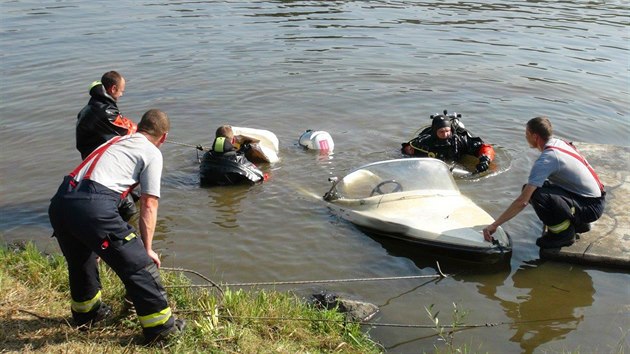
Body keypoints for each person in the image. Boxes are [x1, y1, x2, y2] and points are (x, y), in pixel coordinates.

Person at [49, 109, 185, 343]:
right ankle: (162, 331)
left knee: (82, 261)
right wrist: (148, 249)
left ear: (139, 127)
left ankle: (87, 316)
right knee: (140, 266)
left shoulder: (116, 140)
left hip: (62, 201)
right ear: (163, 137)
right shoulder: (152, 152)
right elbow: (149, 204)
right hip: (93, 204)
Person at [482, 116, 605, 249]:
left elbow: (522, 201)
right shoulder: (559, 143)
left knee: (536, 195)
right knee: (539, 188)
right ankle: (579, 223)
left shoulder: (547, 159)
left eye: (526, 134)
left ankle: (563, 235)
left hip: (590, 207)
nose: (525, 137)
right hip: (594, 199)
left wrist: (495, 224)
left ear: (535, 136)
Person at [76, 71, 139, 220]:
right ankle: (121, 233)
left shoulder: (97, 104)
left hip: (94, 155)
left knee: (137, 195)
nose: (122, 94)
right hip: (98, 163)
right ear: (113, 89)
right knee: (129, 209)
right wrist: (147, 132)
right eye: (121, 91)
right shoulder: (105, 110)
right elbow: (128, 129)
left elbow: (120, 121)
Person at [401, 111, 495, 173]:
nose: (445, 134)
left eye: (447, 131)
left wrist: (485, 160)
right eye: (441, 132)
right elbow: (406, 149)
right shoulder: (424, 142)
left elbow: (485, 147)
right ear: (434, 132)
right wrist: (408, 152)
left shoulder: (460, 140)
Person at [199, 125, 266, 186]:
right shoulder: (239, 160)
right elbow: (259, 177)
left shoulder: (206, 156)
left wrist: (240, 152)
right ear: (233, 140)